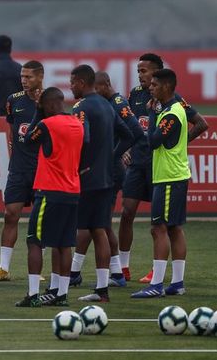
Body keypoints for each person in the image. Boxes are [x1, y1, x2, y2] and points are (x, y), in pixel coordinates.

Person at [119, 53, 207, 283]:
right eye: (138, 71)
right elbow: (131, 127)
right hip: (138, 162)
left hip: (160, 166)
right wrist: (127, 149)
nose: (141, 76)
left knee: (160, 223)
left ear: (157, 72)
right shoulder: (136, 95)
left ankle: (155, 272)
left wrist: (178, 143)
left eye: (145, 71)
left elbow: (201, 123)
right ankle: (123, 268)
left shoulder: (172, 100)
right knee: (127, 212)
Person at [69, 65, 134, 303]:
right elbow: (129, 135)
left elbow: (81, 138)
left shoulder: (81, 107)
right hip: (107, 177)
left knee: (88, 229)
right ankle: (102, 289)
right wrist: (111, 157)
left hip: (88, 178)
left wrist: (80, 166)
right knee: (100, 230)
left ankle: (67, 280)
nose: (70, 86)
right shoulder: (107, 106)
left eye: (73, 82)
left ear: (82, 82)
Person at [15, 87, 84, 308]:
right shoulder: (78, 124)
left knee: (34, 241)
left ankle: (33, 295)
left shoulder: (47, 124)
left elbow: (27, 140)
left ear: (49, 105)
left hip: (49, 191)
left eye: (43, 106)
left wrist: (37, 112)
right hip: (72, 191)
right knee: (64, 244)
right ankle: (61, 295)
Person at [131, 69, 190, 298]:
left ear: (166, 87)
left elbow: (154, 141)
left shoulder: (171, 114)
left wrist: (153, 115)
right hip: (174, 176)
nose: (151, 88)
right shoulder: (173, 110)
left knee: (159, 229)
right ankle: (177, 283)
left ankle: (156, 284)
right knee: (174, 228)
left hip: (168, 179)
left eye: (154, 85)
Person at [0, 60, 44, 282]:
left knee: (40, 220)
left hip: (42, 170)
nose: (24, 80)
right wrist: (13, 151)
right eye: (22, 76)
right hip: (19, 168)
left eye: (28, 77)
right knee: (10, 214)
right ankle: (3, 268)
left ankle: (40, 269)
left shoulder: (49, 101)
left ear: (40, 77)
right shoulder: (13, 101)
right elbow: (11, 128)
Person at [92, 71, 143, 287]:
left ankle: (116, 272)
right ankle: (117, 272)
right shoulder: (111, 102)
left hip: (112, 171)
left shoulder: (118, 102)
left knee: (101, 223)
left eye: (95, 89)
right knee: (101, 223)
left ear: (104, 85)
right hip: (110, 169)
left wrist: (115, 153)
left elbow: (135, 132)